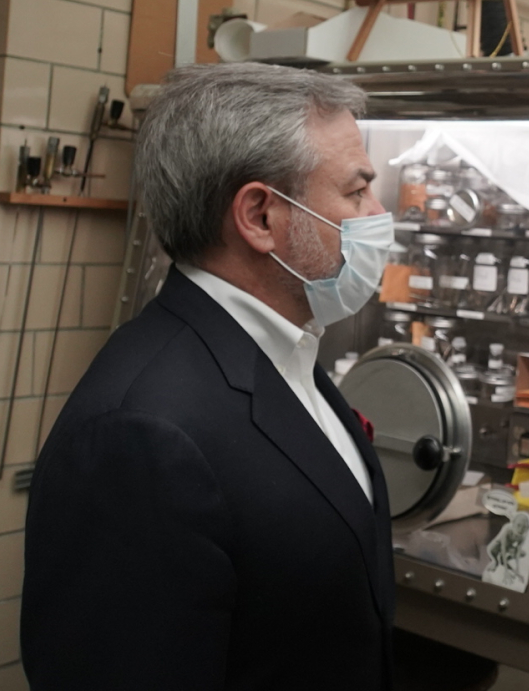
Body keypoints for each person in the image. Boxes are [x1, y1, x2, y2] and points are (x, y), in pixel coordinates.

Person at [22, 64, 396, 690]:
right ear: (259, 217)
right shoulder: (140, 435)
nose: (378, 213)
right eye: (357, 192)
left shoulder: (288, 352)